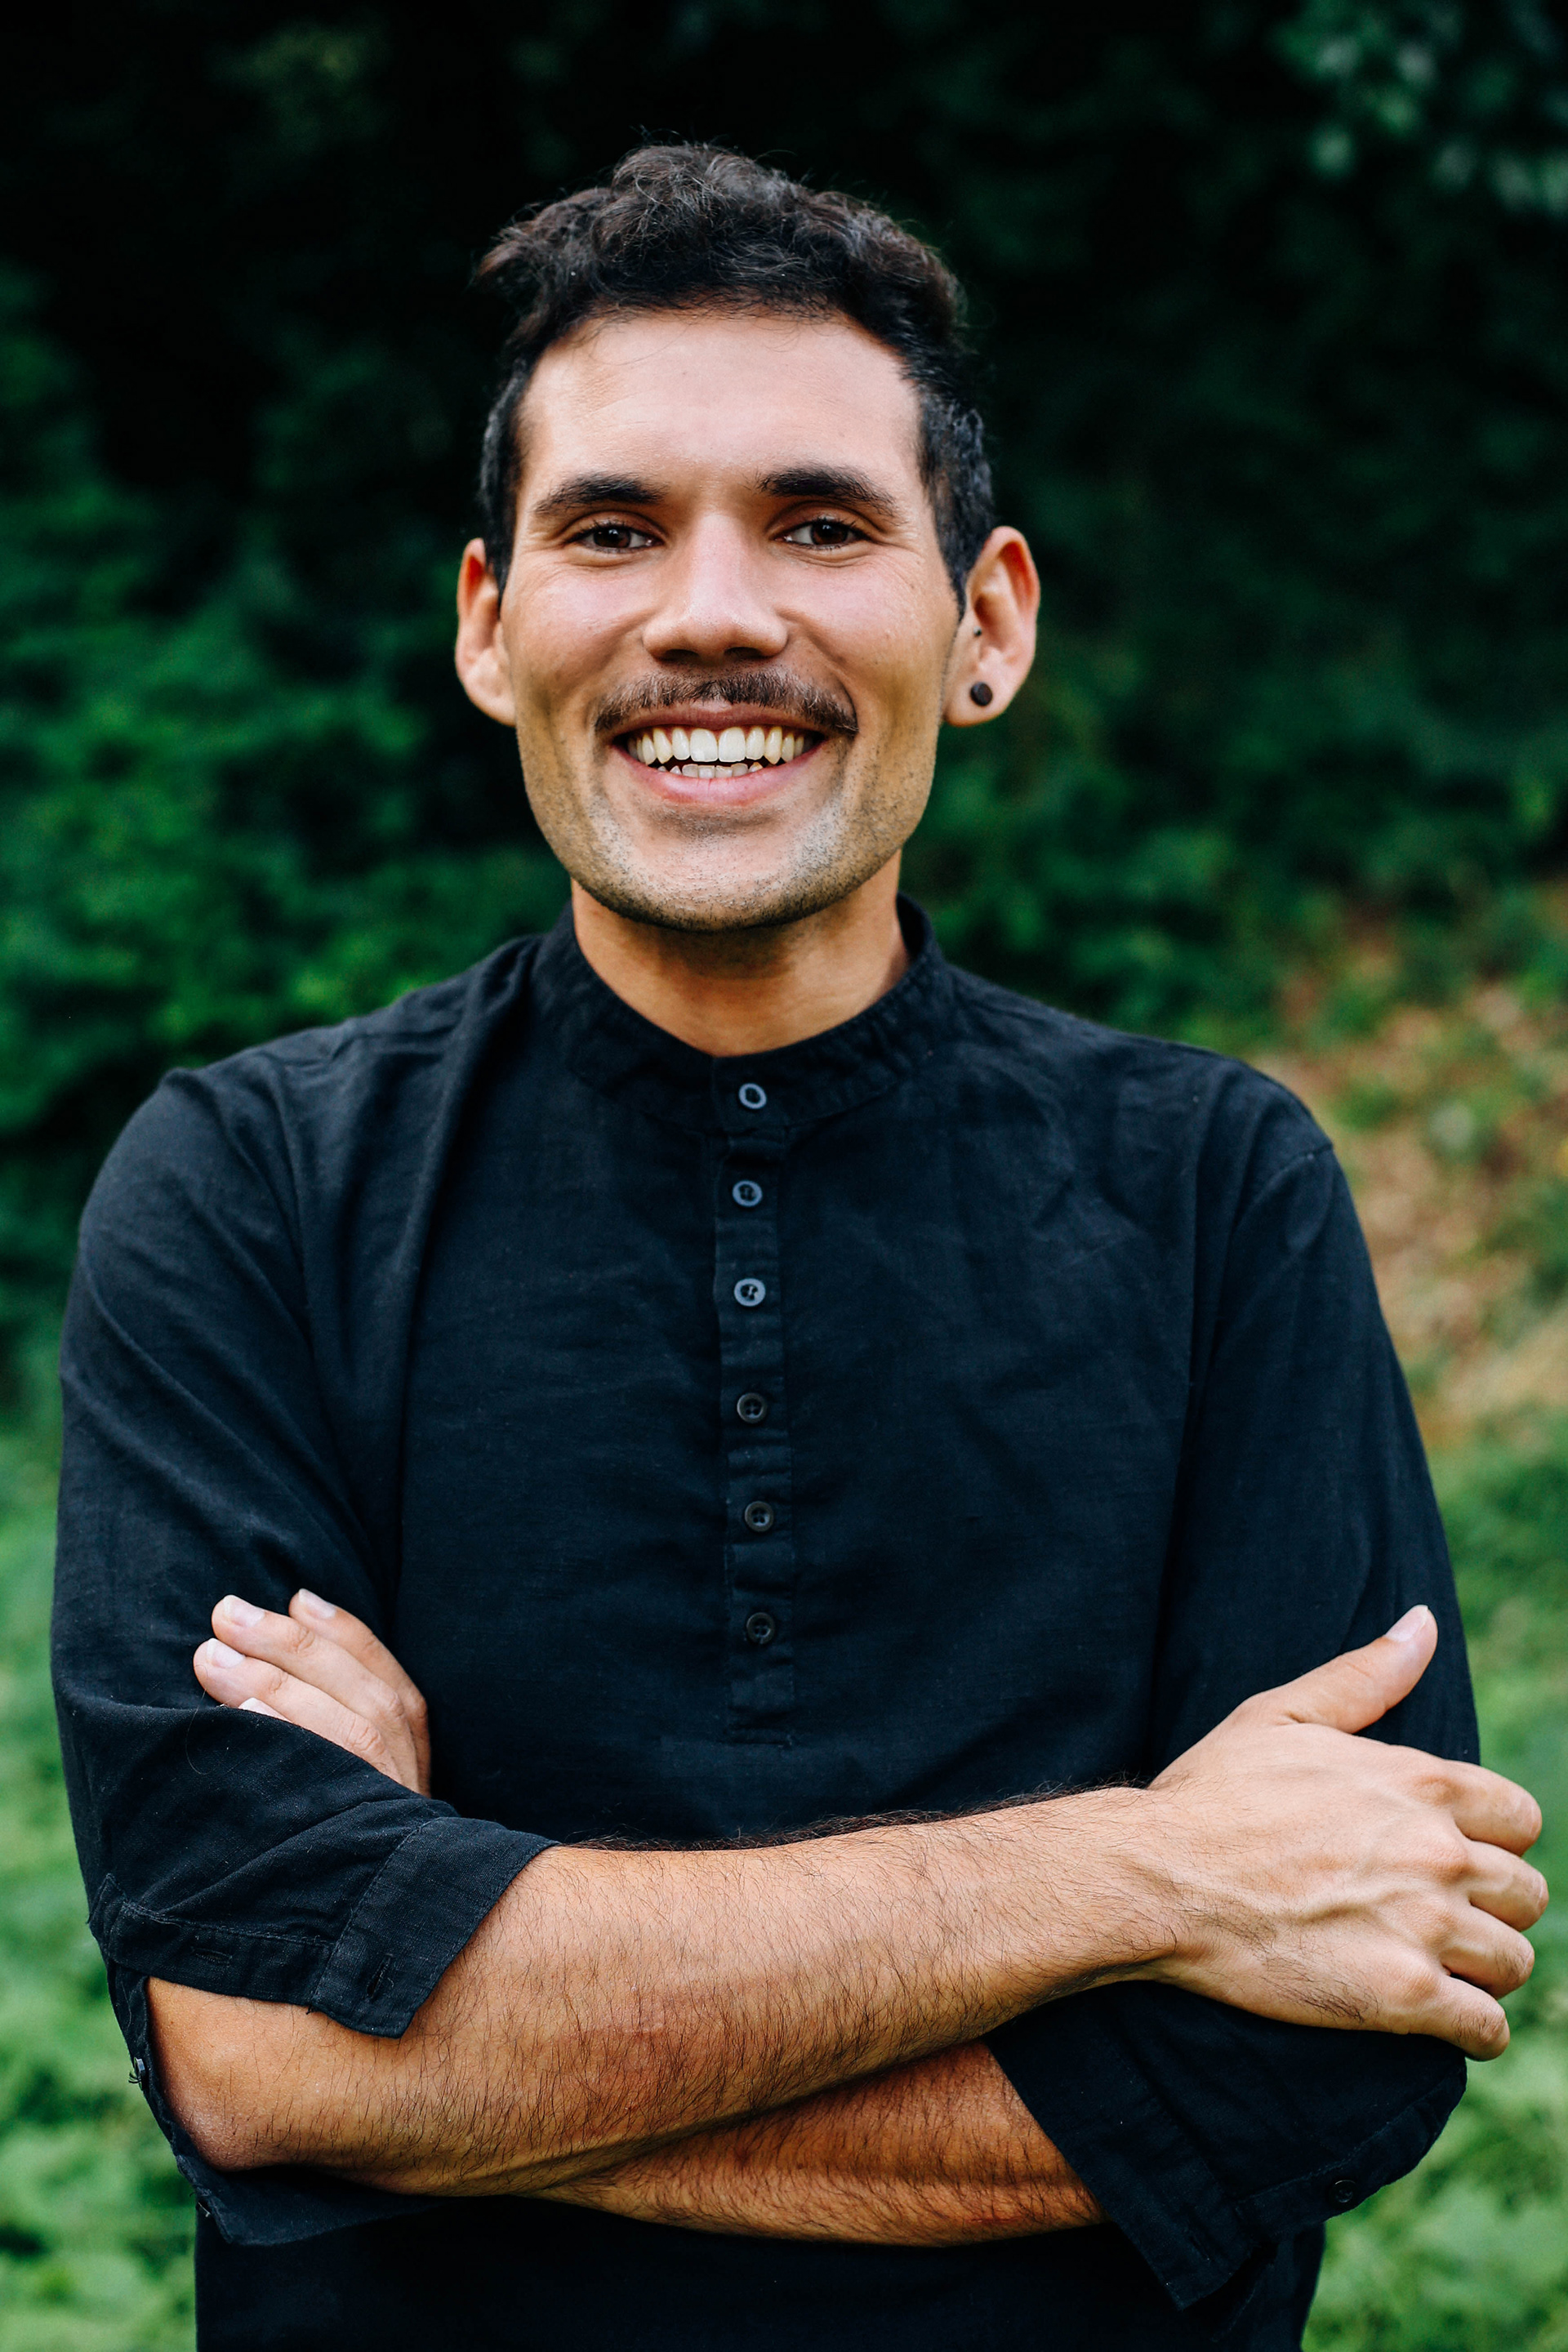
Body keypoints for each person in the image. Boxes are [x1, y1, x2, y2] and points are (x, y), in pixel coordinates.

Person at [51, 146, 1547, 2352]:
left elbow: (1318, 2052)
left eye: (822, 524)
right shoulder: (252, 1186)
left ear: (988, 624)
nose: (713, 614)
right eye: (613, 530)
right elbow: (255, 2039)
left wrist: (448, 2027)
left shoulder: (1217, 1192)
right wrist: (1147, 1873)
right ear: (489, 624)